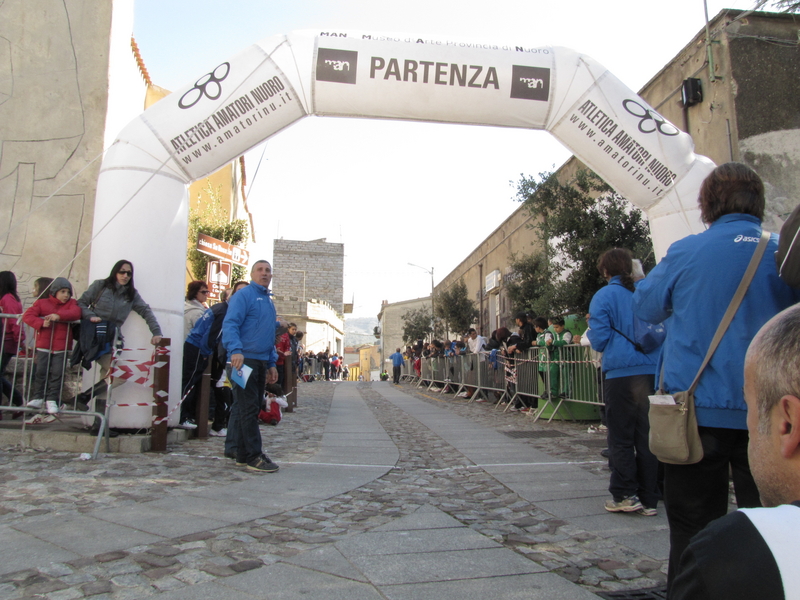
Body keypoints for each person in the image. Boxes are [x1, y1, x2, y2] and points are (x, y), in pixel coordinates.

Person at [633, 163, 800, 588]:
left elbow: (646, 308)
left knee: (690, 525)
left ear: (707, 204)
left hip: (696, 414)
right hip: (768, 415)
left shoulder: (687, 251)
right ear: (758, 203)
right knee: (770, 527)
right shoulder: (783, 253)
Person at [670, 304, 800, 600]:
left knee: (690, 517)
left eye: (750, 407)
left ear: (789, 423)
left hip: (702, 406)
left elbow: (648, 304)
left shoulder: (731, 555)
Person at [588, 249, 660, 517]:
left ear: (606, 271)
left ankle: (625, 494)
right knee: (647, 436)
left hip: (620, 372)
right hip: (651, 370)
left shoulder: (604, 296)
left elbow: (599, 339)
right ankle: (650, 497)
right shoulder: (646, 291)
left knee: (620, 436)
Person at [76, 260, 163, 433]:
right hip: (95, 338)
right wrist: (91, 316)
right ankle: (82, 397)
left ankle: (98, 425)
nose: (125, 276)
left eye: (129, 273)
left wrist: (156, 332)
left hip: (113, 340)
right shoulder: (100, 286)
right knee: (121, 375)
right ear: (115, 272)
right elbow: (81, 303)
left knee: (107, 379)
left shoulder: (131, 294)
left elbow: (146, 311)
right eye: (122, 272)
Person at [222, 260, 282, 473]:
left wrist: (271, 363)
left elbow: (267, 335)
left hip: (260, 361)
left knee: (252, 407)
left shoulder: (268, 301)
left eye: (268, 270)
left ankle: (241, 454)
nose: (264, 273)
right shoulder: (244, 296)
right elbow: (230, 324)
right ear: (252, 274)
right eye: (260, 270)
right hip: (242, 360)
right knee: (247, 409)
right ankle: (254, 456)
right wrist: (235, 350)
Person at [22, 277, 82, 420]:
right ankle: (38, 397)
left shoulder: (72, 304)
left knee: (57, 374)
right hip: (44, 345)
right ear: (54, 292)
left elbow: (76, 313)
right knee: (41, 372)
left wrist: (58, 316)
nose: (66, 295)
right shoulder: (42, 303)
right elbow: (28, 315)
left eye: (68, 292)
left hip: (61, 347)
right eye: (62, 292)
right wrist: (41, 323)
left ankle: (52, 399)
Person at [0, 271, 25, 412]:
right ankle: (18, 401)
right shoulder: (7, 298)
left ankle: (18, 401)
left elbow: (14, 321)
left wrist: (19, 339)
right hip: (6, 339)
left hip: (6, 340)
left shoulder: (8, 299)